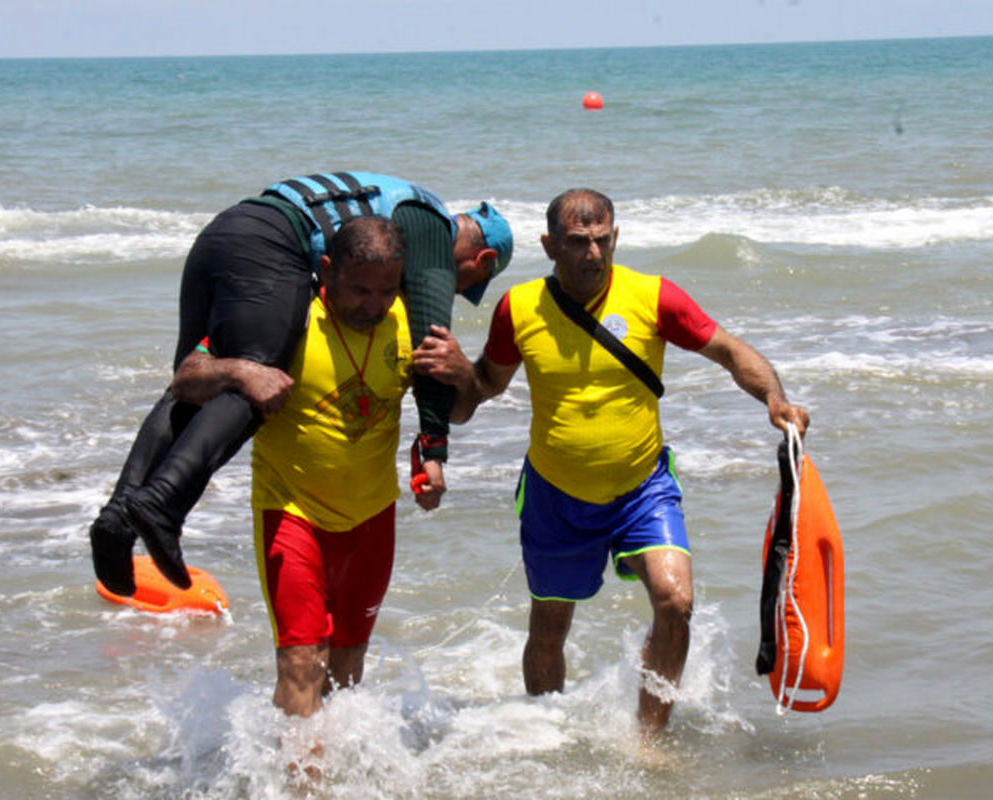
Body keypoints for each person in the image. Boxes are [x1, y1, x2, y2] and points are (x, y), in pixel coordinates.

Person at [413, 188, 810, 736]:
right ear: (551, 245)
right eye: (578, 243)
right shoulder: (519, 308)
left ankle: (650, 739)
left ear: (615, 237)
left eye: (602, 241)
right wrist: (460, 373)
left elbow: (730, 351)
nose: (593, 255)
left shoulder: (653, 297)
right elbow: (477, 396)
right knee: (550, 628)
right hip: (555, 495)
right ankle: (545, 733)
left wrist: (774, 398)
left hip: (642, 486)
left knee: (676, 602)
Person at [90, 171, 513, 596]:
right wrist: (434, 447)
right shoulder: (432, 228)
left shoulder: (405, 204)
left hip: (225, 232)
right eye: (466, 286)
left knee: (196, 381)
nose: (454, 289)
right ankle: (165, 501)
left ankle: (118, 518)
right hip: (272, 245)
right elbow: (430, 342)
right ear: (482, 259)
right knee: (260, 379)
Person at [173, 216, 414, 715]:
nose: (373, 305)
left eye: (385, 291)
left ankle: (333, 777)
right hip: (292, 512)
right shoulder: (280, 316)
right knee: (303, 662)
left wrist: (451, 398)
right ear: (326, 270)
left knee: (346, 667)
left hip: (373, 518)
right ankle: (301, 789)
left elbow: (455, 405)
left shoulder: (407, 317)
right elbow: (186, 378)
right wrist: (240, 370)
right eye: (359, 290)